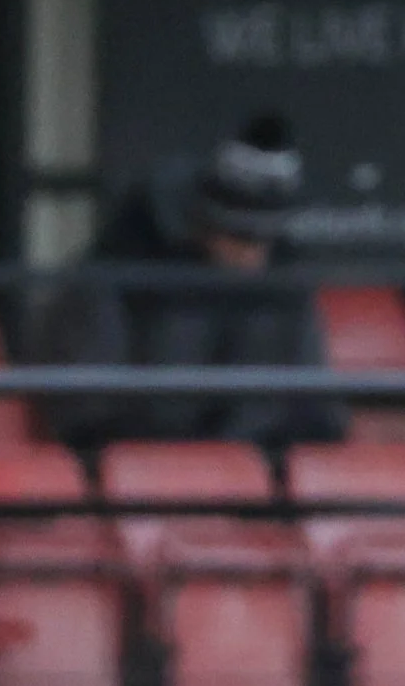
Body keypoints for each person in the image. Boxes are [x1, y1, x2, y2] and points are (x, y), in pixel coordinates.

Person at [46, 113, 345, 453]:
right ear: (203, 220)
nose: (254, 255)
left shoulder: (284, 282)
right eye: (241, 236)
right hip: (146, 470)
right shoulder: (119, 271)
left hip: (253, 473)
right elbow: (88, 409)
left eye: (266, 240)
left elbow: (314, 404)